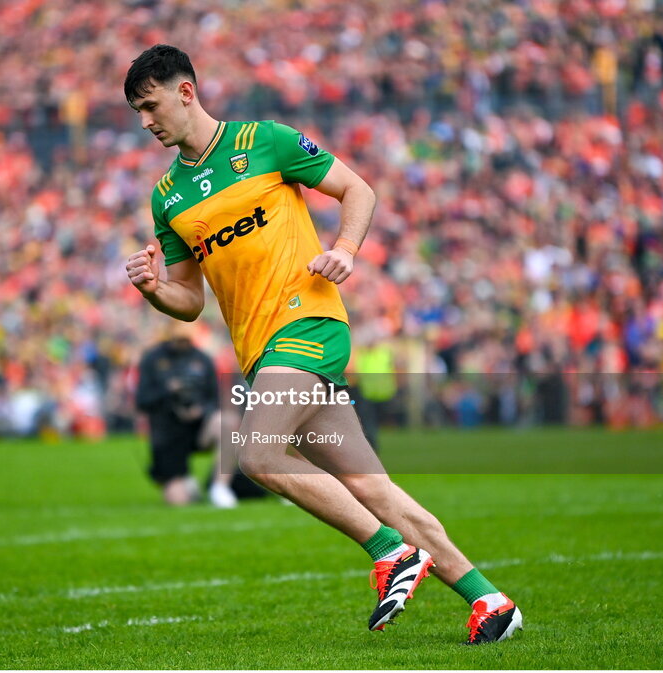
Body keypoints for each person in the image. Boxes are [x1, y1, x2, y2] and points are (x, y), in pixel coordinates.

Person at [123, 45, 522, 644]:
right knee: (371, 487)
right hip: (263, 351)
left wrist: (346, 250)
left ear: (185, 92)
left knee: (257, 456)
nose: (146, 122)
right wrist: (155, 288)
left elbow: (358, 191)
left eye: (151, 105)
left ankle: (391, 553)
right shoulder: (168, 197)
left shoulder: (266, 140)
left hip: (308, 326)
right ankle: (489, 599)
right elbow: (189, 300)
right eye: (137, 112)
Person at [136, 322, 239, 508]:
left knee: (229, 422)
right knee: (179, 501)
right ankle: (184, 480)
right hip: (168, 434)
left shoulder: (203, 359)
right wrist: (168, 390)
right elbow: (142, 401)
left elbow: (214, 399)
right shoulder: (152, 359)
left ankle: (220, 487)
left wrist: (200, 410)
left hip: (197, 428)